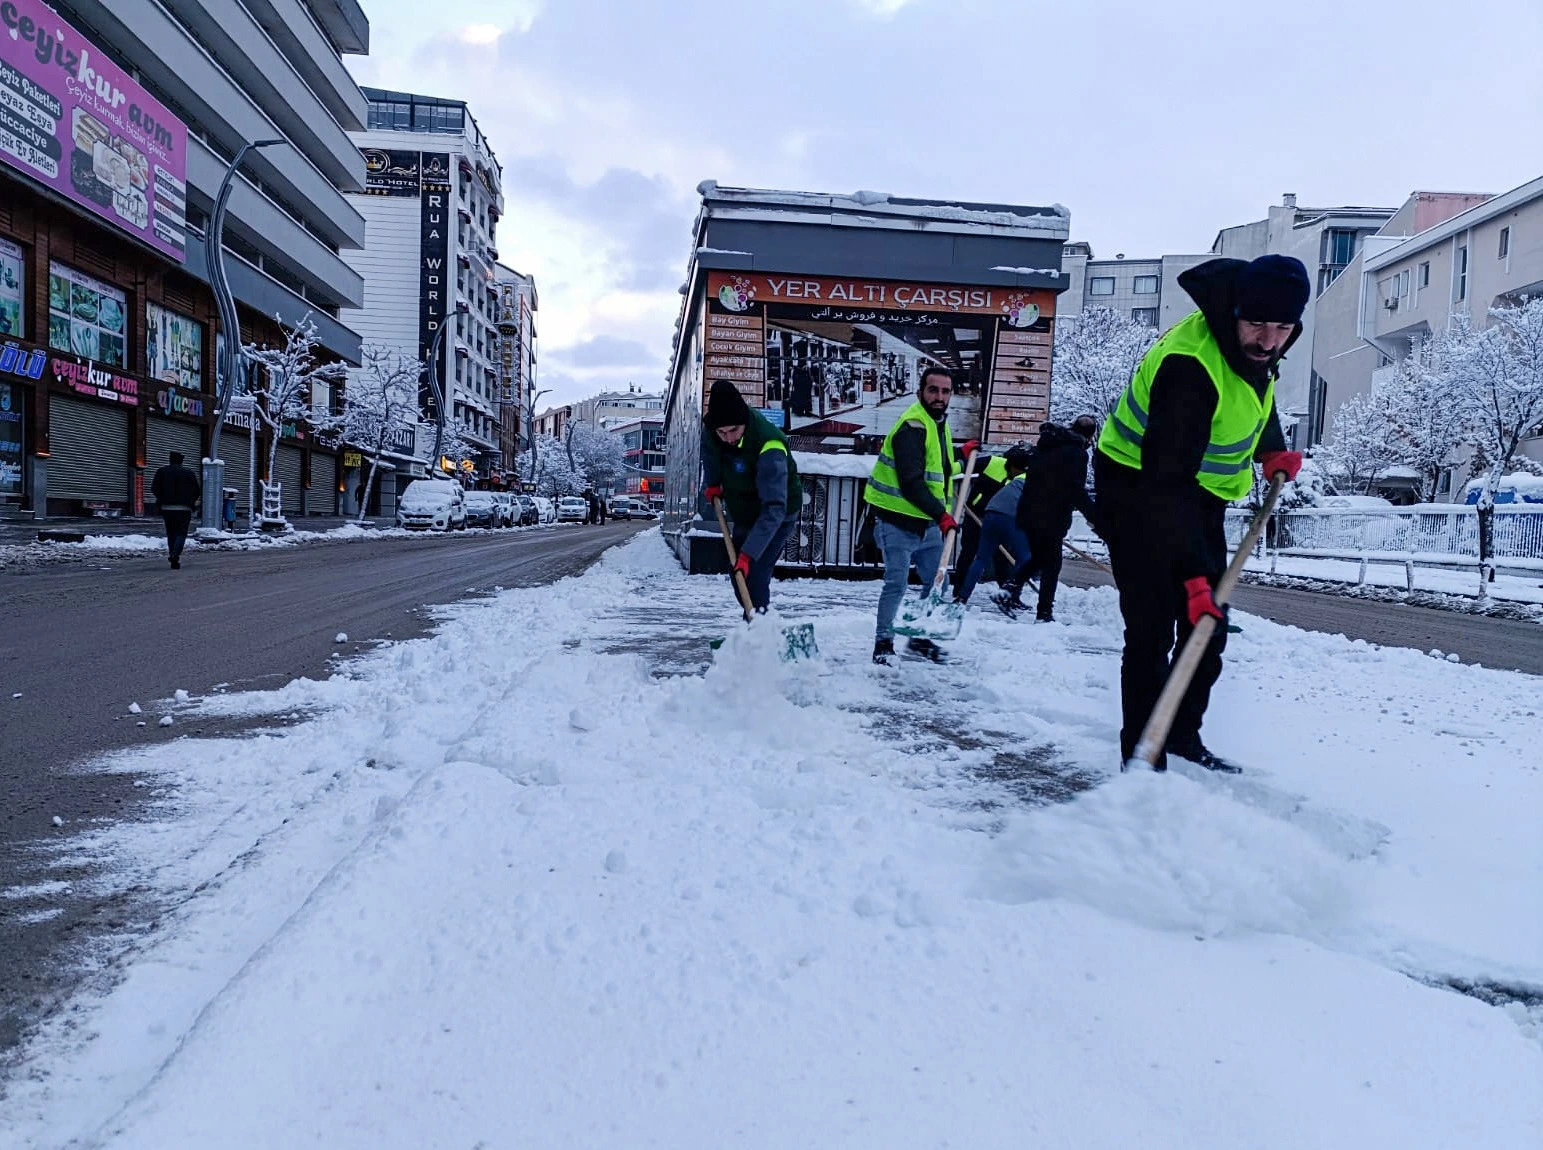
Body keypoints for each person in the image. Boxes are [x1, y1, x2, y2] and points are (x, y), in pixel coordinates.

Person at [1094, 255, 1306, 773]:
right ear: (1233, 312)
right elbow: (1165, 485)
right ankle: (1143, 755)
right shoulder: (1189, 367)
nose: (1269, 339)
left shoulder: (1257, 348)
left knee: (1207, 625)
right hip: (1136, 487)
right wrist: (1191, 578)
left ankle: (1182, 734)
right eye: (1257, 324)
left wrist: (1271, 448)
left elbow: (1258, 388)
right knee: (1151, 628)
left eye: (1283, 327)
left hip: (1200, 495)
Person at [864, 366, 979, 664]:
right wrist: (942, 515)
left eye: (945, 391)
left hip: (927, 525)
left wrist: (960, 457)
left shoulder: (937, 423)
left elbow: (937, 470)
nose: (939, 396)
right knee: (897, 583)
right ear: (920, 392)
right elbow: (912, 482)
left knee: (937, 582)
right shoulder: (912, 426)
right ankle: (883, 644)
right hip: (897, 522)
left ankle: (919, 640)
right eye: (933, 390)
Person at [700, 379, 803, 611]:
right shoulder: (713, 431)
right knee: (737, 572)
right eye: (722, 432)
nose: (728, 438)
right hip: (745, 510)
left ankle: (760, 630)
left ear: (743, 421)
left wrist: (748, 555)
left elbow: (775, 508)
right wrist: (713, 483)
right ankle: (753, 625)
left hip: (778, 512)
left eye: (733, 430)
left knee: (754, 572)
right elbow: (709, 449)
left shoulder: (770, 444)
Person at [1004, 416, 1099, 622]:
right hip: (1051, 516)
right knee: (1052, 564)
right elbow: (1075, 489)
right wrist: (1094, 516)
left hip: (1029, 512)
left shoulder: (1047, 445)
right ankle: (1044, 613)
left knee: (1040, 558)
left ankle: (1010, 589)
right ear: (1090, 436)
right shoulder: (1077, 453)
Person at [953, 445, 1036, 608]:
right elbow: (963, 466)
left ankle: (1009, 596)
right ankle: (959, 592)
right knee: (970, 553)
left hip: (995, 516)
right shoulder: (992, 462)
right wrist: (948, 470)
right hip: (976, 515)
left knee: (1002, 559)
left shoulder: (1023, 476)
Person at [150, 450, 201, 570]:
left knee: (171, 532)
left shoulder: (162, 472)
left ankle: (172, 554)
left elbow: (154, 488)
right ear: (182, 461)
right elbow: (197, 491)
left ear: (170, 460)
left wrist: (162, 498)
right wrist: (190, 501)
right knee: (181, 533)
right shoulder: (189, 473)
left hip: (167, 508)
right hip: (184, 508)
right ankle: (175, 555)